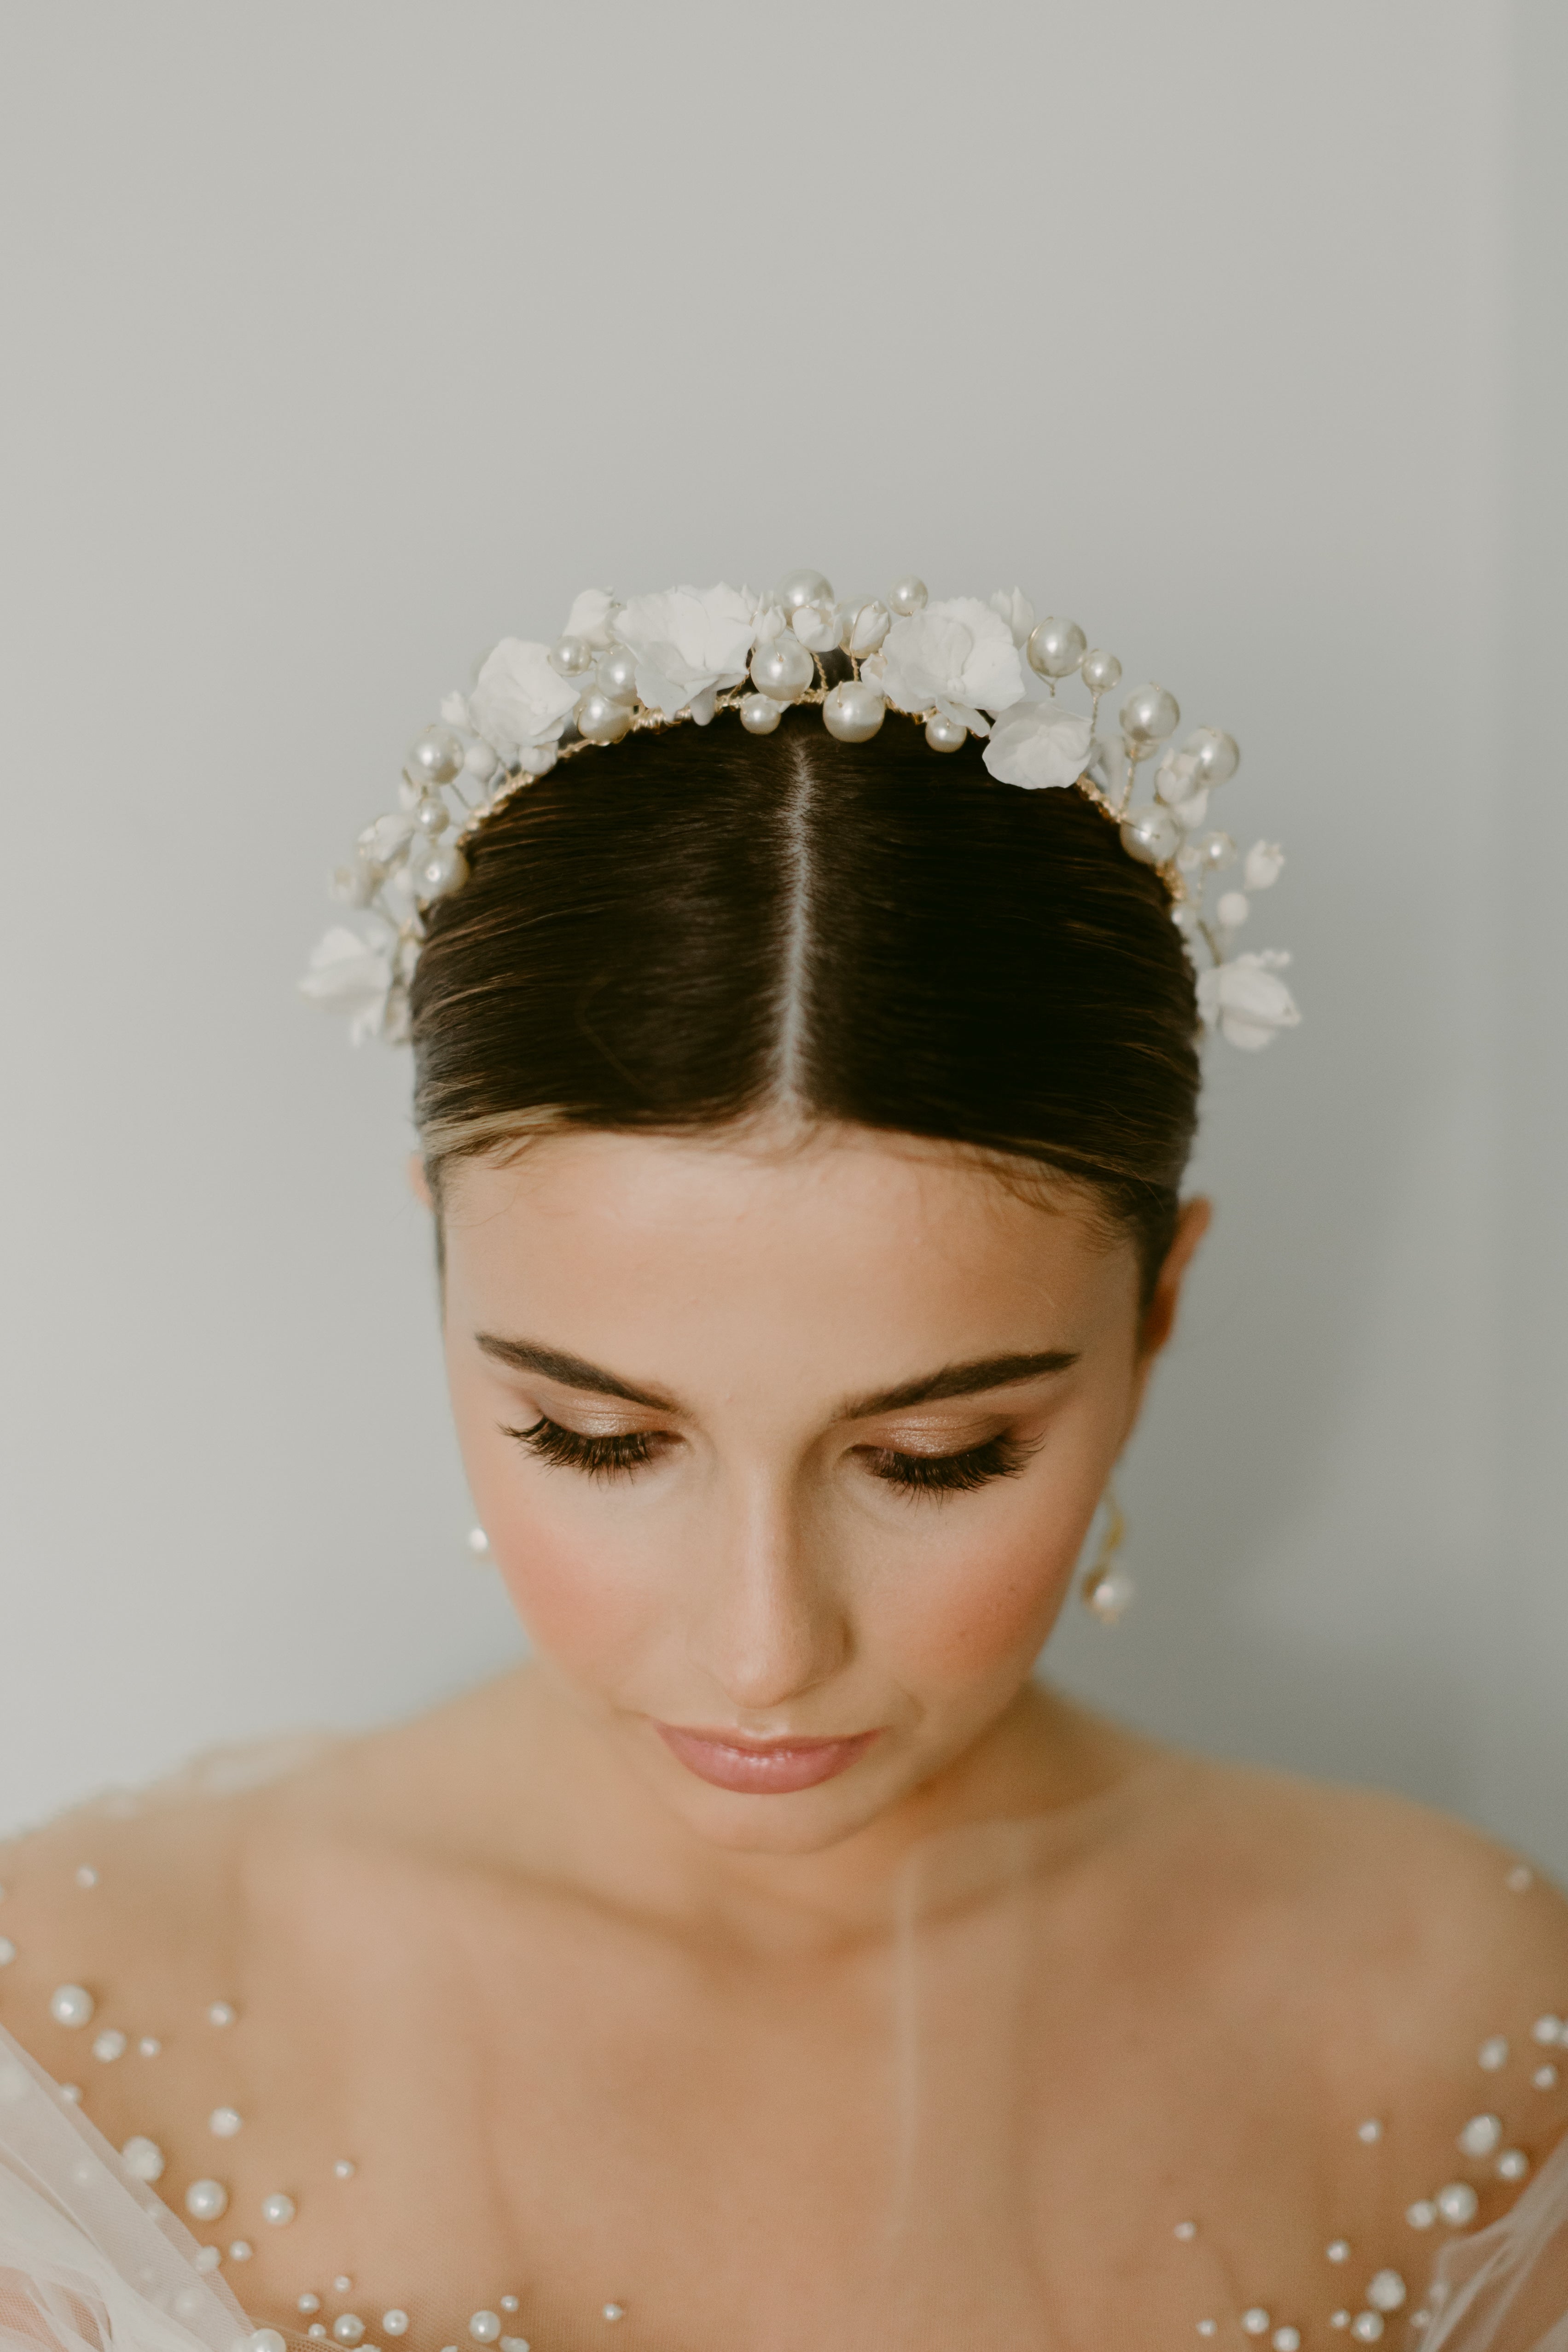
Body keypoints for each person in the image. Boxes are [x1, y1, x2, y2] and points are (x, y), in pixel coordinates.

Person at [0, 575, 1560, 2352]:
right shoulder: (66, 2013)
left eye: (936, 1457)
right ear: (442, 1282)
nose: (764, 1650)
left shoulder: (1456, 2018)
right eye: (597, 1438)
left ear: (1160, 1314)